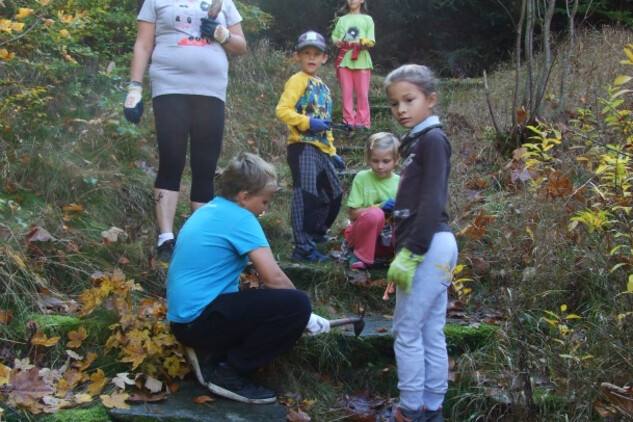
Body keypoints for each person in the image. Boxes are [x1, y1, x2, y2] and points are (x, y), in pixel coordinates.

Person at [166, 152, 331, 405]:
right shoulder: (240, 217)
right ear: (244, 197)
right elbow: (273, 278)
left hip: (185, 320)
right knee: (296, 304)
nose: (266, 208)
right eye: (264, 201)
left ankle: (210, 352)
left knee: (261, 304)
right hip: (198, 321)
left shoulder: (210, 209)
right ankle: (230, 372)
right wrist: (306, 315)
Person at [123, 0, 247, 262]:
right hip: (169, 86)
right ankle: (166, 238)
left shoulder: (222, 2)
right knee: (172, 160)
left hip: (211, 89)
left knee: (205, 165)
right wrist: (134, 87)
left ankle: (198, 238)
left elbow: (241, 46)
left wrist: (221, 34)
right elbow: (143, 44)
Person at [382, 64, 458, 422]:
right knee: (429, 329)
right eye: (395, 103)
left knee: (407, 330)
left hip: (428, 244)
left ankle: (410, 410)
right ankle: (431, 407)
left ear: (431, 99)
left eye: (409, 100)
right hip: (427, 243)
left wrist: (411, 251)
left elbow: (433, 202)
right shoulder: (415, 141)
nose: (401, 109)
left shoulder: (432, 140)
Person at [275, 30, 344, 263]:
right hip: (302, 146)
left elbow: (326, 125)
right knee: (307, 194)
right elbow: (282, 110)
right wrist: (307, 122)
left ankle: (315, 235)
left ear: (325, 58)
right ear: (298, 56)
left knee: (334, 194)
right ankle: (302, 246)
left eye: (317, 54)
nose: (312, 58)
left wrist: (333, 152)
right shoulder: (298, 80)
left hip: (322, 150)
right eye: (307, 53)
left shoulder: (324, 88)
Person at [345, 132, 400, 270]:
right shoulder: (362, 178)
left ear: (396, 160)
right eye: (375, 161)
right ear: (369, 159)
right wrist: (379, 206)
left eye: (386, 161)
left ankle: (400, 255)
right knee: (376, 214)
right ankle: (357, 255)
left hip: (385, 241)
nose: (380, 166)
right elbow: (352, 214)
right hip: (360, 237)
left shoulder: (400, 182)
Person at [331, 0, 375, 130]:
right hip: (345, 59)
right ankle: (348, 121)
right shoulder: (342, 20)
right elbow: (334, 36)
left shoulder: (367, 19)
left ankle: (363, 122)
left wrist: (364, 44)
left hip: (362, 60)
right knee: (347, 92)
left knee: (362, 93)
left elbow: (371, 40)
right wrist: (336, 41)